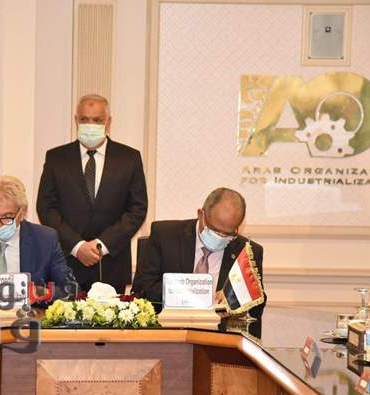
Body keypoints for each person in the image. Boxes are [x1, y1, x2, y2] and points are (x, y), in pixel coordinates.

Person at [36, 94, 148, 294]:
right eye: (84, 119)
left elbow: (137, 209)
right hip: (66, 264)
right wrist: (77, 246)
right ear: (76, 120)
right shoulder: (56, 158)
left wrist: (102, 245)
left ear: (108, 122)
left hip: (111, 264)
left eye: (97, 120)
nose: (90, 125)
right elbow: (46, 208)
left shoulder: (129, 158)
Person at [132, 188, 266, 338]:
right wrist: (197, 294)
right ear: (201, 215)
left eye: (228, 234)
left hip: (219, 339)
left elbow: (255, 308)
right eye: (214, 230)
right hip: (167, 333)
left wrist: (232, 300)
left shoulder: (247, 251)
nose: (220, 238)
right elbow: (142, 288)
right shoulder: (165, 235)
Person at [0, 175, 76, 304]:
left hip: (26, 315)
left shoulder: (45, 239)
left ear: (22, 212)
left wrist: (38, 293)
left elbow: (70, 290)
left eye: (7, 217)